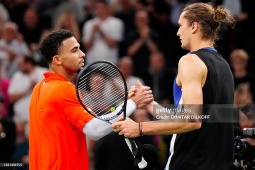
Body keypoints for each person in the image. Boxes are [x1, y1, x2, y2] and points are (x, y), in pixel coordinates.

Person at [112, 2, 236, 170]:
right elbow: (197, 118)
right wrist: (151, 106)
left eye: (180, 25)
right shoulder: (224, 65)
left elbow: (192, 121)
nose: (178, 32)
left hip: (190, 163)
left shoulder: (189, 61)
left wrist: (139, 128)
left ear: (194, 26)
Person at [29, 29, 153, 170]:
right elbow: (95, 130)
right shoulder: (64, 89)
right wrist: (132, 103)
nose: (82, 54)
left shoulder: (38, 88)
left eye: (80, 48)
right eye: (74, 50)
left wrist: (127, 104)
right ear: (57, 59)